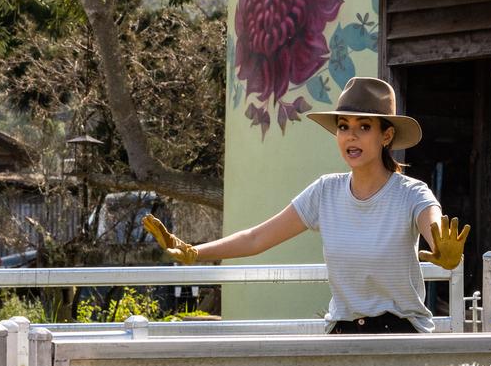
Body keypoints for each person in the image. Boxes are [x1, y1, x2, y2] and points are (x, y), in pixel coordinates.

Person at [143, 76, 470, 334]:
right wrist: (195, 252)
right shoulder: (324, 192)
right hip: (343, 336)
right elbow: (257, 238)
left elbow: (434, 225)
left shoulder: (411, 193)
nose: (350, 137)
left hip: (402, 337)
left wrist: (443, 248)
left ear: (386, 136)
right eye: (344, 127)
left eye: (364, 127)